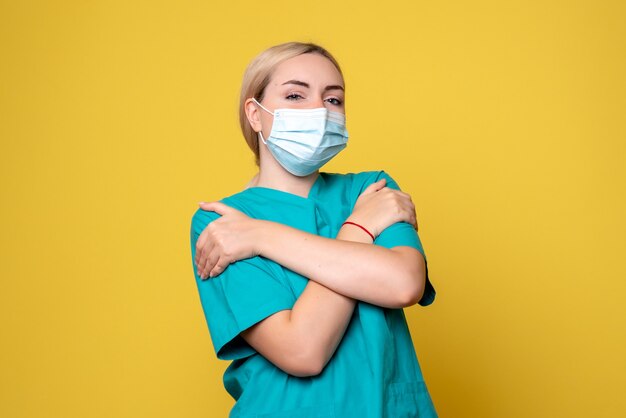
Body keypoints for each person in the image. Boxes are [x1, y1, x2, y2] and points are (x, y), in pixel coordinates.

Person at [190, 42, 437, 417]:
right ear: (255, 115)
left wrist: (260, 237)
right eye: (294, 95)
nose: (320, 110)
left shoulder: (370, 188)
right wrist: (359, 228)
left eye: (333, 100)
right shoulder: (222, 221)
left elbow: (404, 282)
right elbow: (302, 350)